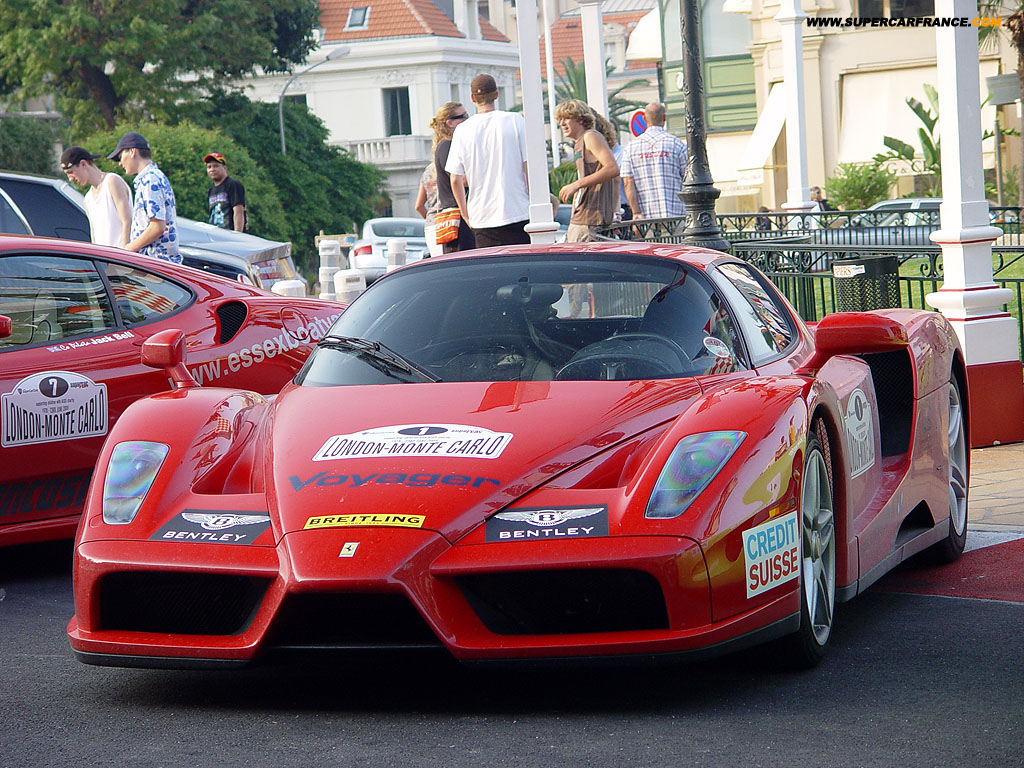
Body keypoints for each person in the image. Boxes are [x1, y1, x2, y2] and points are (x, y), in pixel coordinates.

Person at [445, 74, 531, 248]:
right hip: (517, 209)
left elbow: (455, 179)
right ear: (496, 95)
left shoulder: (462, 130)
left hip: (481, 215)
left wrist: (465, 214)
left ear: (472, 98)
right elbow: (527, 166)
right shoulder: (515, 120)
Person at [108, 131, 179, 263]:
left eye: (120, 156)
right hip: (158, 263)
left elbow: (157, 226)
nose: (120, 163)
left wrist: (127, 250)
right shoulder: (155, 176)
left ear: (132, 152)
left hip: (155, 263)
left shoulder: (149, 180)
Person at [554, 100, 619, 243]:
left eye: (567, 118)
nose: (562, 123)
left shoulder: (590, 136)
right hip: (584, 218)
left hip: (590, 220)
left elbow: (612, 169)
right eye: (560, 119)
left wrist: (575, 185)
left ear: (580, 119)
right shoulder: (579, 142)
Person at [620, 101, 688, 220]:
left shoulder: (630, 148)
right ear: (664, 118)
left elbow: (628, 183)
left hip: (646, 218)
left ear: (644, 118)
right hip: (676, 215)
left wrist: (636, 212)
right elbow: (688, 178)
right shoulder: (677, 145)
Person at [60, 146, 132, 248]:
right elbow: (94, 238)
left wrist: (124, 253)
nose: (70, 179)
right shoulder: (88, 199)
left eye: (71, 172)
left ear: (83, 164)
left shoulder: (112, 182)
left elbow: (127, 221)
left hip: (121, 254)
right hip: (103, 256)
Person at [430, 102, 475, 253]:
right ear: (450, 123)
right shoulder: (447, 146)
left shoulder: (448, 145)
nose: (468, 119)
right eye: (463, 116)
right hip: (457, 217)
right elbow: (460, 180)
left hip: (459, 216)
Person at [204, 152, 247, 232]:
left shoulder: (233, 185)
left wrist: (237, 234)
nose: (212, 169)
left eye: (216, 166)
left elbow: (238, 211)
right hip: (216, 234)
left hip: (229, 234)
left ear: (224, 167)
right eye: (209, 167)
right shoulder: (211, 189)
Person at [414, 161, 441, 257]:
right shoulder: (449, 169)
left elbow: (419, 206)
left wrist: (430, 218)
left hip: (431, 225)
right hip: (448, 221)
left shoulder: (427, 173)